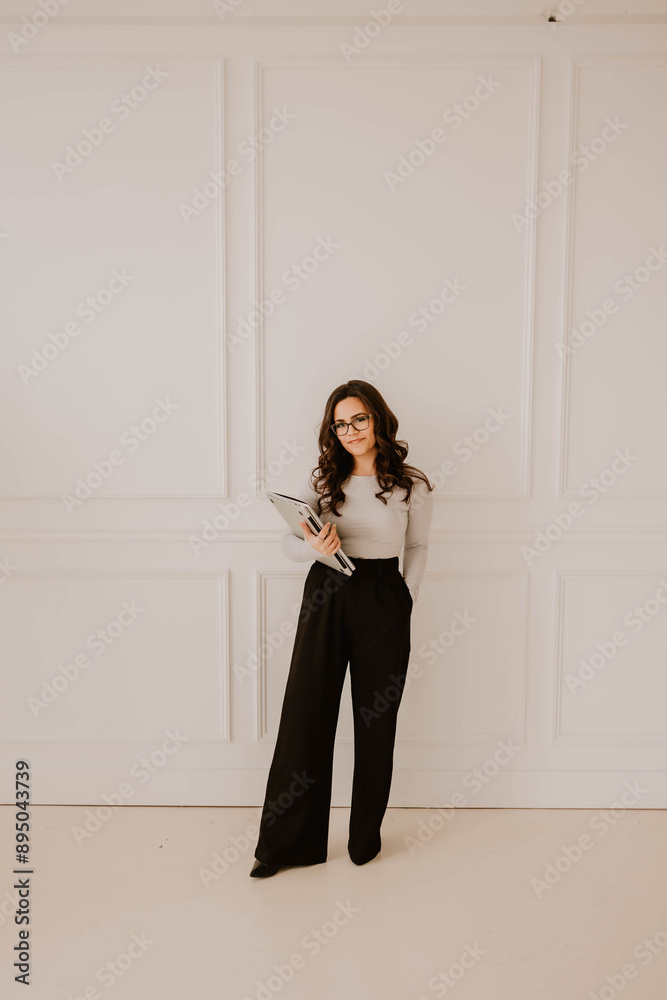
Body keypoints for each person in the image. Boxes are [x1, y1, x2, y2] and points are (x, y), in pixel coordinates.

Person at [250, 379, 434, 877]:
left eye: (359, 419)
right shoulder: (325, 481)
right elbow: (288, 541)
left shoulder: (410, 484)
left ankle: (363, 839)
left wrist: (406, 598)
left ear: (377, 419)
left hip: (384, 596)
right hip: (327, 593)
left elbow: (417, 547)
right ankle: (286, 846)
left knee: (377, 722)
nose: (350, 431)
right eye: (340, 424)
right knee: (305, 714)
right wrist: (312, 548)